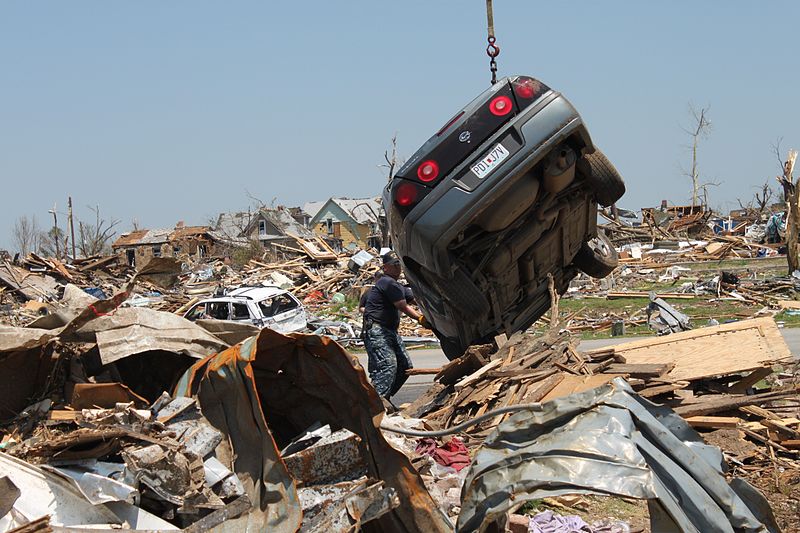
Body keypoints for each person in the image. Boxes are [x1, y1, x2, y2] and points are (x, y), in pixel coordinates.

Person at [362, 251, 427, 400]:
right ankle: (375, 405)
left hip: (390, 330)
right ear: (385, 268)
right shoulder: (386, 282)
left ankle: (384, 399)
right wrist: (421, 319)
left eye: (399, 264)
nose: (398, 267)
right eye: (394, 264)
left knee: (405, 367)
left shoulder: (398, 286)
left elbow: (415, 299)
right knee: (388, 366)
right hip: (376, 330)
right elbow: (403, 306)